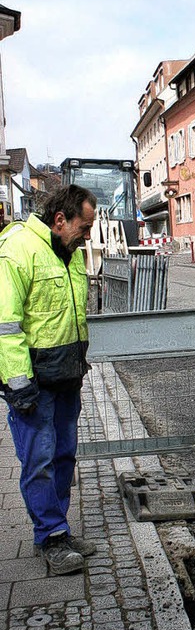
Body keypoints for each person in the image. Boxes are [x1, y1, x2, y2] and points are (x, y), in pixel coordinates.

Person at [0, 184, 98, 576]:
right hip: (33, 383)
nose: (87, 236)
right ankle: (51, 535)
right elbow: (6, 326)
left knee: (61, 456)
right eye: (84, 227)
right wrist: (18, 383)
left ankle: (57, 528)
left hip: (65, 377)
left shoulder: (69, 252)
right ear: (60, 220)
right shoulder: (18, 249)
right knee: (38, 461)